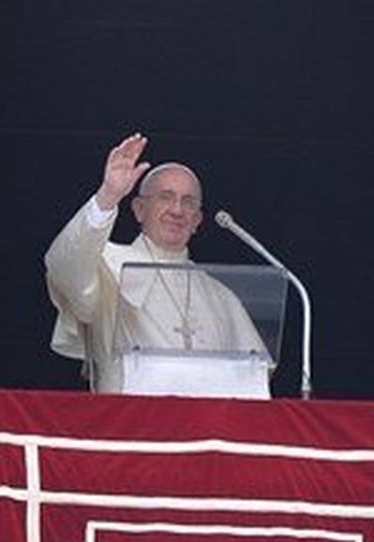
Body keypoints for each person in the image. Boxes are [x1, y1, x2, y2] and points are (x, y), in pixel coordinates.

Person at [45, 133, 269, 394]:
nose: (177, 210)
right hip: (129, 424)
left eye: (188, 202)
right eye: (165, 197)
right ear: (139, 209)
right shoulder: (106, 264)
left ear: (197, 220)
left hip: (207, 431)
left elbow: (254, 373)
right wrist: (108, 196)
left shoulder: (220, 295)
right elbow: (63, 267)